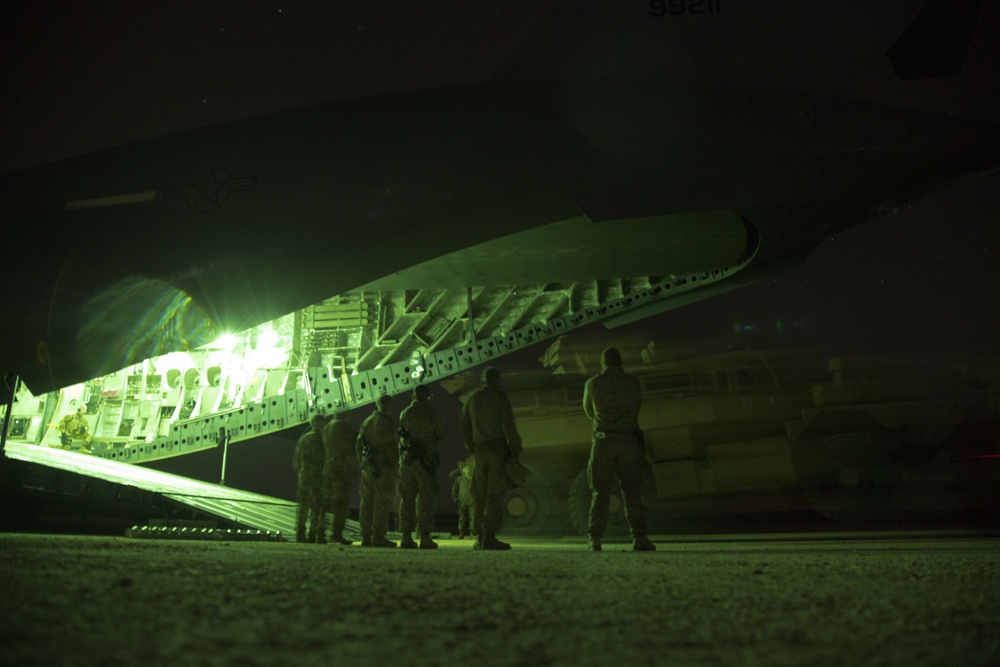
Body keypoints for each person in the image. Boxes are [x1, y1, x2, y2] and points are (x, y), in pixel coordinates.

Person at [581, 347, 655, 552]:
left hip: (603, 442)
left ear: (602, 363)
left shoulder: (593, 383)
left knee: (600, 492)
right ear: (620, 361)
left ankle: (595, 539)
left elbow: (588, 410)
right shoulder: (633, 384)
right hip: (628, 442)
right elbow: (637, 410)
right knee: (632, 492)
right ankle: (639, 538)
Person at [460, 367, 522, 551]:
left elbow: (464, 427)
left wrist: (472, 448)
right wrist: (515, 450)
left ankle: (479, 536)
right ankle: (489, 536)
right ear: (497, 379)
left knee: (479, 494)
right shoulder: (500, 397)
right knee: (495, 494)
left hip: (479, 451)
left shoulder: (472, 398)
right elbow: (509, 425)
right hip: (497, 449)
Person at [397, 385, 446, 549]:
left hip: (407, 461)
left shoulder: (404, 413)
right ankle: (425, 537)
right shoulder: (433, 414)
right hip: (426, 462)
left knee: (407, 498)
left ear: (413, 396)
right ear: (428, 396)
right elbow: (441, 434)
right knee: (426, 499)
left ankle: (406, 536)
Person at [356, 394, 399, 548]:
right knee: (383, 502)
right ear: (387, 405)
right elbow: (389, 447)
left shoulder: (366, 421)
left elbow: (358, 445)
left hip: (368, 467)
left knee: (366, 501)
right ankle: (378, 536)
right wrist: (395, 466)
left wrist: (362, 464)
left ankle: (365, 536)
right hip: (383, 467)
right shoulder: (387, 422)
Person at [321, 412, 359, 545]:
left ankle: (319, 533)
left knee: (325, 501)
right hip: (341, 468)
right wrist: (355, 466)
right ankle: (336, 534)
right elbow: (347, 449)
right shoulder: (342, 427)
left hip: (328, 466)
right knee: (341, 502)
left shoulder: (326, 428)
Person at [293, 415, 329, 543]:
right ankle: (316, 535)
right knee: (317, 506)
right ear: (320, 423)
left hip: (304, 475)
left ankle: (300, 534)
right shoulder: (319, 439)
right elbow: (322, 459)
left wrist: (301, 472)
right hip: (317, 476)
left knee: (303, 506)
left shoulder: (303, 438)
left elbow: (296, 460)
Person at [449, 456, 475, 539]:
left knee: (473, 517)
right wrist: (456, 499)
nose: (468, 470)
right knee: (462, 518)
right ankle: (461, 534)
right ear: (463, 470)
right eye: (466, 468)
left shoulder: (474, 479)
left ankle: (472, 533)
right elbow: (454, 488)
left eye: (469, 468)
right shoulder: (459, 479)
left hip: (472, 501)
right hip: (462, 501)